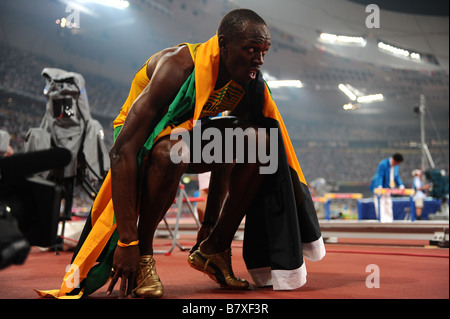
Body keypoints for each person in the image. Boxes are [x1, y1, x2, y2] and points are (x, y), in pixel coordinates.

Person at [36, 9, 325, 299]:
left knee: (260, 141)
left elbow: (228, 159)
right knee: (174, 149)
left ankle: (215, 250)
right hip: (139, 140)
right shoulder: (177, 68)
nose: (259, 60)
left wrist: (211, 225)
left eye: (264, 51)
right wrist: (127, 242)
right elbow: (122, 150)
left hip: (185, 136)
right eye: (251, 49)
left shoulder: (245, 80)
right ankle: (144, 259)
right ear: (223, 44)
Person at [370, 153, 405, 222]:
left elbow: (396, 176)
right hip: (379, 187)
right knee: (381, 204)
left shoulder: (396, 166)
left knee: (388, 203)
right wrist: (379, 186)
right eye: (397, 163)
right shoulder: (383, 164)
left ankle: (389, 220)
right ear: (394, 160)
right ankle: (382, 220)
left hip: (388, 188)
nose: (397, 164)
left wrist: (401, 185)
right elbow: (380, 175)